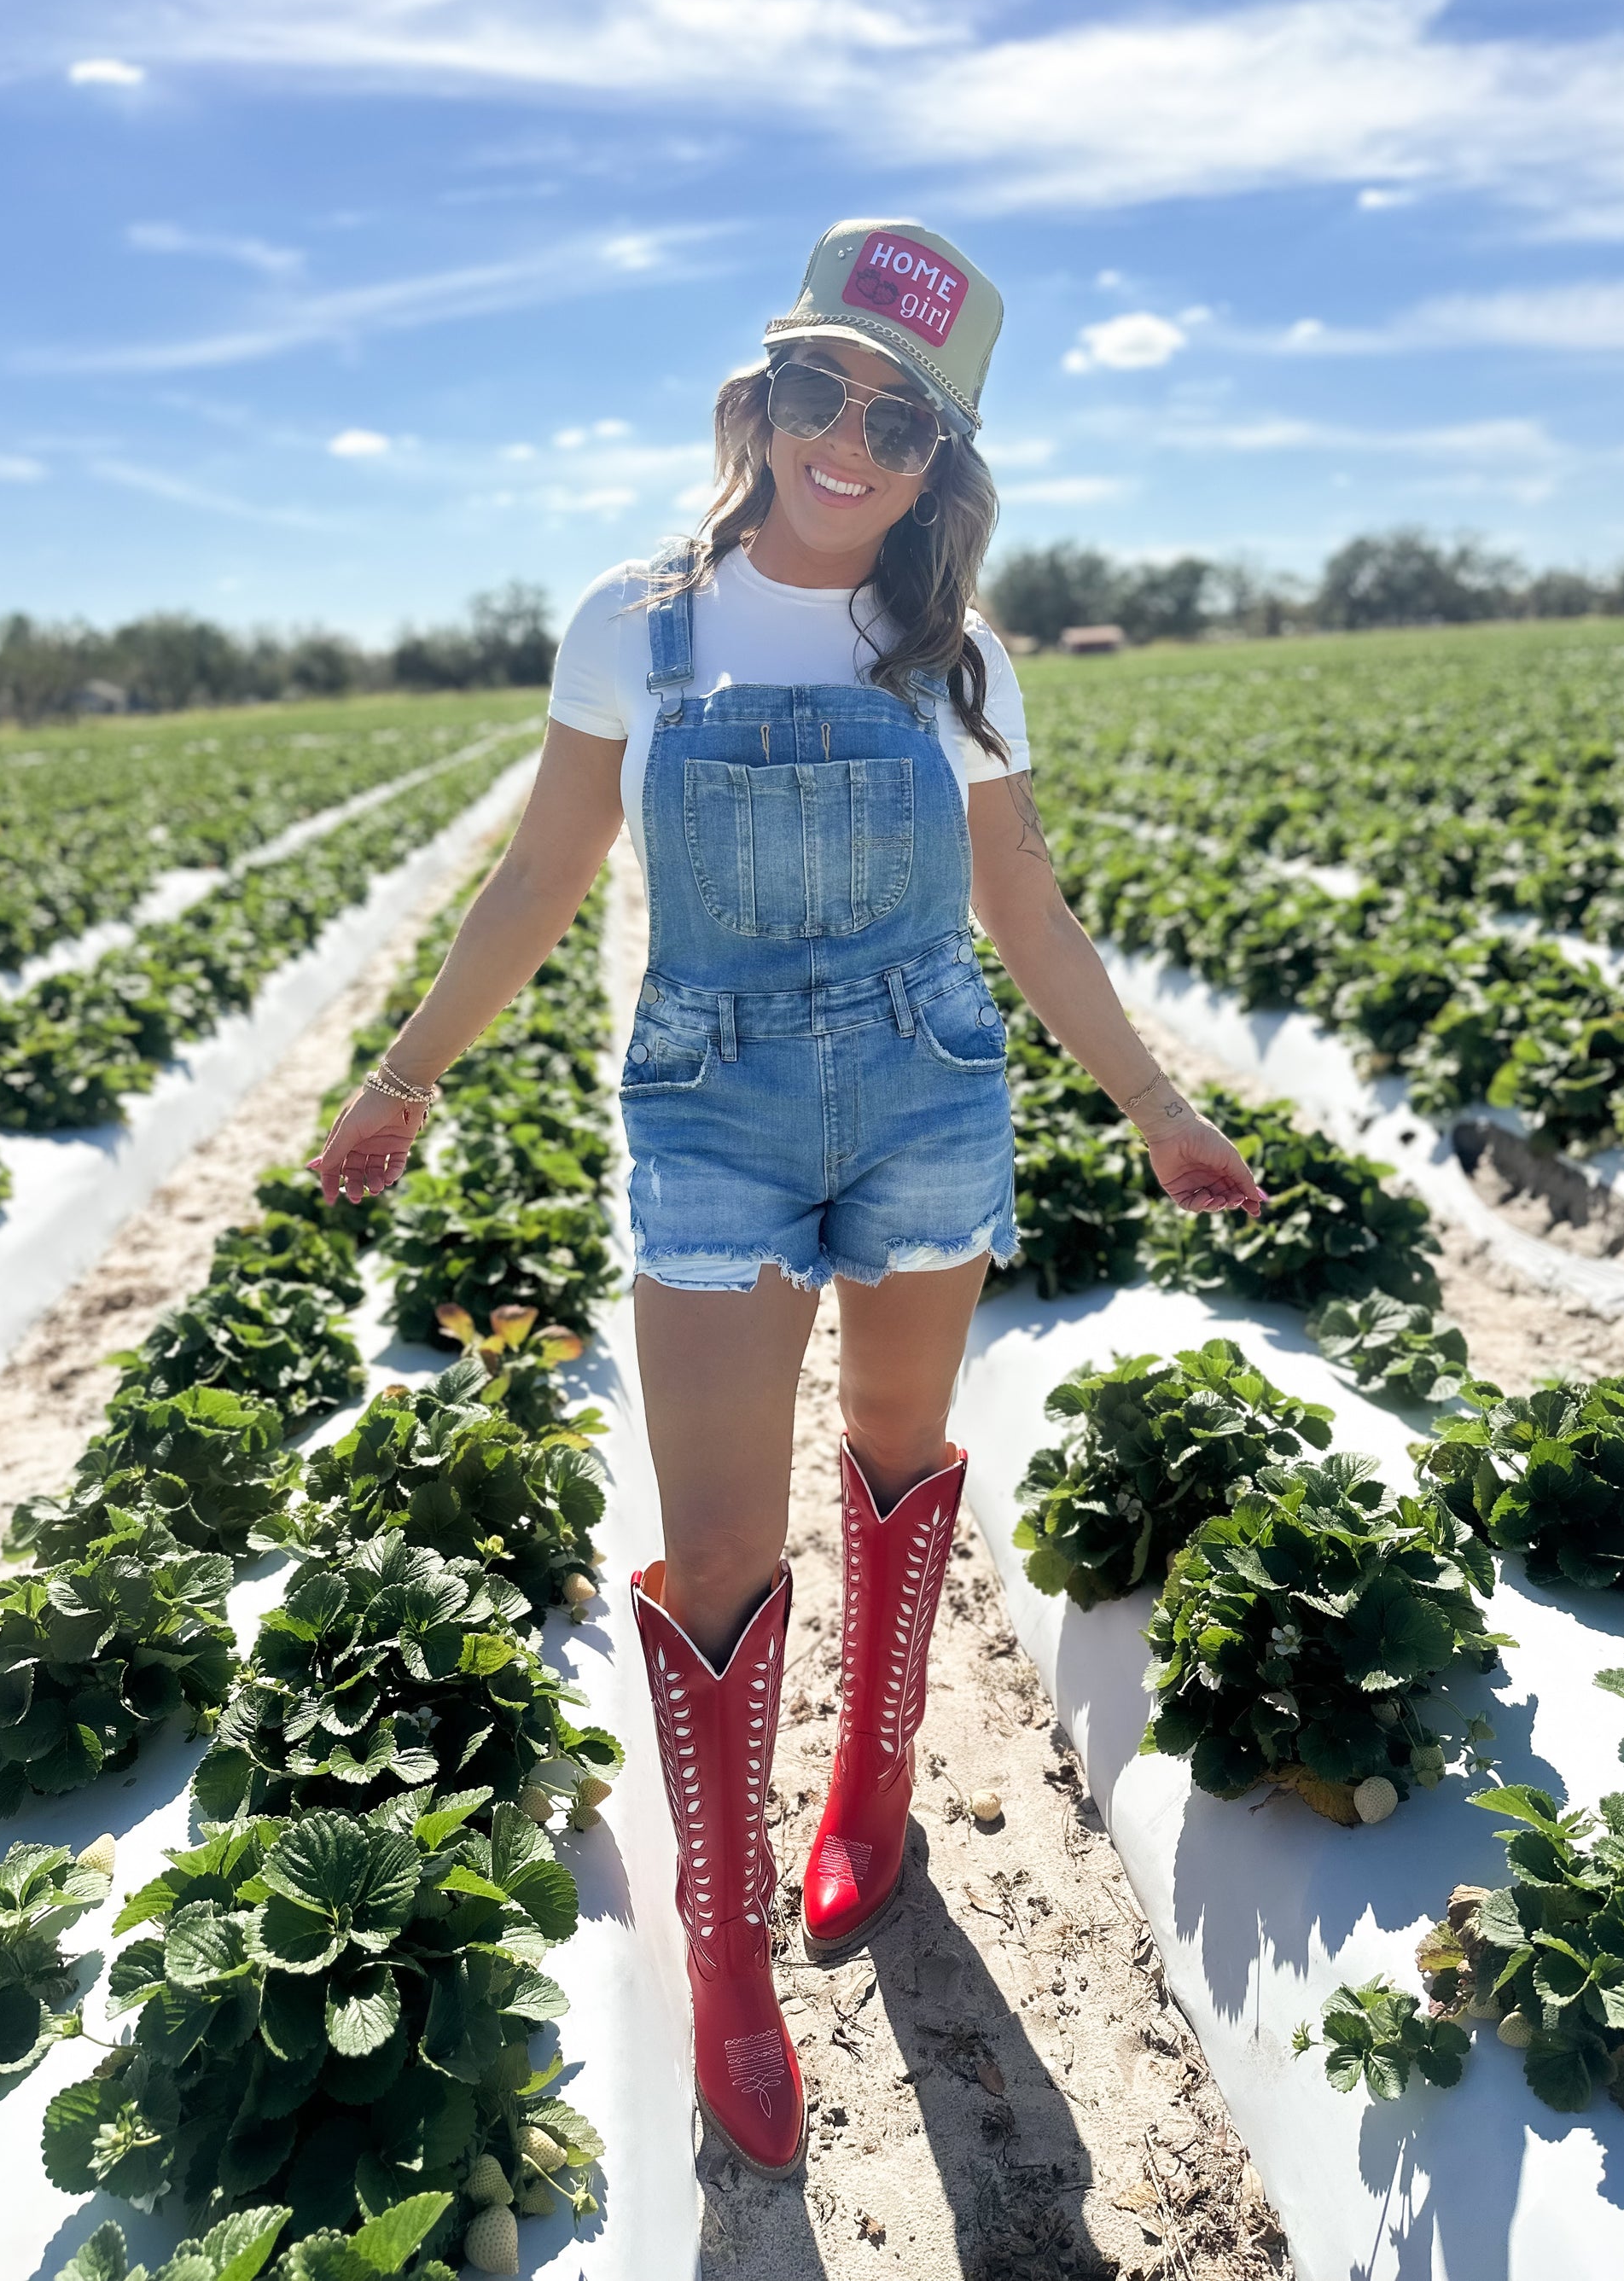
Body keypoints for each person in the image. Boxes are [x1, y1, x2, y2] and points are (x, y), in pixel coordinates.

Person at [311, 218, 1263, 2179]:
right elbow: (540, 875)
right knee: (717, 1545)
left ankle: (872, 1790)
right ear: (759, 397)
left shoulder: (960, 658)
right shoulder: (636, 622)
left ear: (938, 462)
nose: (846, 438)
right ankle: (730, 1942)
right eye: (819, 388)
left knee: (902, 1456)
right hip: (710, 1109)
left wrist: (1158, 1106)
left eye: (895, 419)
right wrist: (404, 1078)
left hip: (926, 1097)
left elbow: (1024, 905)